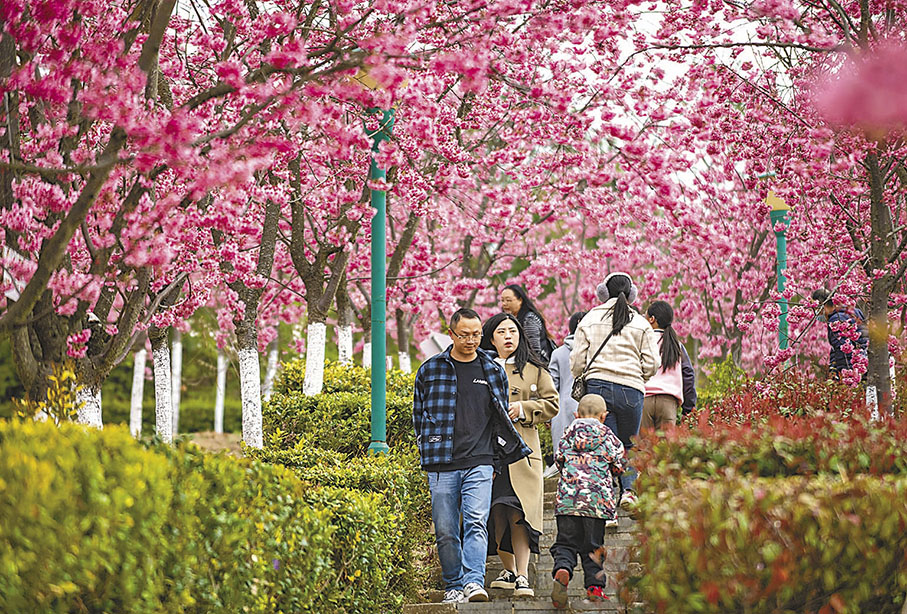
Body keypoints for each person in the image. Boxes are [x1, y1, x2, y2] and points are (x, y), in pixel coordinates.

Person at [413, 308, 532, 604]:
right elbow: (418, 414)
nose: (471, 340)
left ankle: (473, 582)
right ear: (451, 334)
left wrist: (495, 458)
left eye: (476, 334)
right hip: (441, 462)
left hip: (480, 461)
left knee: (477, 522)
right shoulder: (430, 370)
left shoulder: (492, 370)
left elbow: (500, 417)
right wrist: (427, 446)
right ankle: (453, 583)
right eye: (464, 334)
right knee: (445, 527)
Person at [479, 312, 559, 598]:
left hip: (522, 453)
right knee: (496, 510)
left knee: (519, 512)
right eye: (501, 332)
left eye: (513, 331)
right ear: (491, 338)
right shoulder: (482, 367)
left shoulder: (534, 369)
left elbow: (552, 403)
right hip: (489, 451)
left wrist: (524, 409)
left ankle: (523, 576)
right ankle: (508, 570)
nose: (508, 336)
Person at [569, 272, 659, 509]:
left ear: (604, 292)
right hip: (631, 390)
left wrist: (583, 374)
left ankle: (606, 500)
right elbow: (652, 363)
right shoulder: (640, 322)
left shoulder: (589, 319)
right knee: (628, 444)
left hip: (598, 388)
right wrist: (639, 377)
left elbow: (577, 360)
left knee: (602, 445)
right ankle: (628, 491)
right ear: (631, 295)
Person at [550, 394, 626, 610]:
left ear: (576, 415)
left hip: (568, 502)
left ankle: (562, 570)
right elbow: (620, 463)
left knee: (565, 543)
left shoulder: (568, 433)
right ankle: (595, 588)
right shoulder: (608, 435)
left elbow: (559, 459)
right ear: (604, 416)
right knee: (593, 546)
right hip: (596, 503)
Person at [642, 301, 697, 431]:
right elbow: (688, 374)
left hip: (645, 400)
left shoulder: (643, 342)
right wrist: (688, 408)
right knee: (664, 449)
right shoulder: (677, 346)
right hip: (668, 402)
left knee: (643, 448)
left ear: (652, 319)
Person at [547, 311, 587, 478]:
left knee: (565, 455)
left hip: (563, 407)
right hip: (590, 405)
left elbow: (552, 385)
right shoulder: (594, 350)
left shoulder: (558, 353)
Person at [811, 289, 869, 380]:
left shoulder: (835, 320)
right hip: (867, 360)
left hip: (856, 368)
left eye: (816, 309)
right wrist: (833, 367)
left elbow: (843, 351)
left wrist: (844, 374)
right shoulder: (853, 311)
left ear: (823, 305)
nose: (815, 313)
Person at [501, 284, 555, 363]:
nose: (504, 304)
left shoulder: (529, 319)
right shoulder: (510, 319)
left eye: (508, 300)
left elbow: (534, 349)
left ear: (520, 300)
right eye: (502, 300)